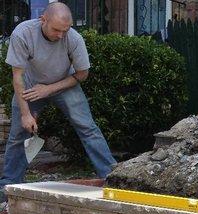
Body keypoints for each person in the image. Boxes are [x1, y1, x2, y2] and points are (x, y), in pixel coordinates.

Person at [0, 2, 116, 200]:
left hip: (65, 84)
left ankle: (112, 177)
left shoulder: (74, 38)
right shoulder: (23, 33)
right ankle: (7, 188)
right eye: (56, 29)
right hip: (30, 86)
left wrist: (49, 89)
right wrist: (26, 114)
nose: (61, 35)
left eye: (66, 30)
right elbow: (17, 76)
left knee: (87, 127)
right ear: (42, 20)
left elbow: (82, 74)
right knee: (18, 134)